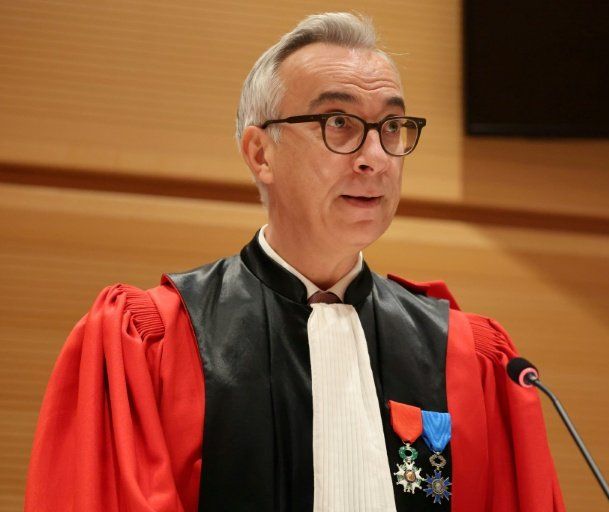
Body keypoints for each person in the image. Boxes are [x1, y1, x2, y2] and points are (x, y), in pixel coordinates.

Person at [25, 12, 565, 512]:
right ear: (261, 153)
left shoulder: (468, 356)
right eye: (339, 122)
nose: (374, 158)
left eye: (391, 127)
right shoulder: (154, 342)